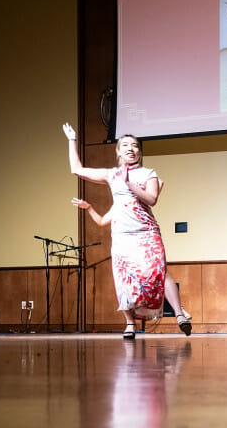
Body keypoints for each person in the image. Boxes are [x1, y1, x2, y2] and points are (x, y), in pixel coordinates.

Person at [62, 123, 191, 339]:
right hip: (122, 236)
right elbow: (77, 169)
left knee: (158, 273)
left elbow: (152, 199)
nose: (131, 148)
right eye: (125, 145)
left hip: (147, 233)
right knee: (123, 279)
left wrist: (129, 182)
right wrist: (72, 140)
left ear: (139, 152)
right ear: (118, 151)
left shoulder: (149, 173)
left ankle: (180, 316)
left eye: (135, 145)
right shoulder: (111, 174)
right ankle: (129, 324)